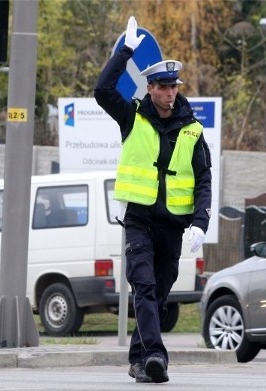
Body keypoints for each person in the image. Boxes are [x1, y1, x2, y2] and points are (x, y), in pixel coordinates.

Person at [94, 16, 212, 384]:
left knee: (159, 295)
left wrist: (200, 222)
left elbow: (203, 178)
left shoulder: (192, 129)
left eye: (173, 86)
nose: (170, 92)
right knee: (143, 287)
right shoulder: (132, 117)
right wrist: (126, 50)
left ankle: (138, 359)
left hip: (173, 226)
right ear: (150, 88)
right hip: (140, 222)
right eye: (162, 86)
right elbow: (102, 90)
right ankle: (157, 356)